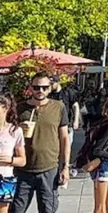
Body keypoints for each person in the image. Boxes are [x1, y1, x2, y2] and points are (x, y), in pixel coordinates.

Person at [10, 73, 69, 213]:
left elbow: (64, 138)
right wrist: (17, 129)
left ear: (50, 88)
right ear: (31, 88)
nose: (40, 90)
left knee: (48, 209)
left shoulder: (58, 107)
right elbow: (7, 135)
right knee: (16, 210)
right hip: (23, 170)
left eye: (44, 87)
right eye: (36, 87)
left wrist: (65, 166)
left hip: (49, 169)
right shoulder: (19, 108)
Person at [0, 95, 27, 213]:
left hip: (5, 178)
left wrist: (10, 160)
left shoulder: (15, 131)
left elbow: (22, 160)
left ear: (5, 108)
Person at [47, 81, 79, 149]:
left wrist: (76, 120)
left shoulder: (67, 92)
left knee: (66, 145)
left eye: (52, 83)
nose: (51, 86)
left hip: (67, 124)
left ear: (58, 82)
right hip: (54, 124)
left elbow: (75, 106)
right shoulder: (49, 94)